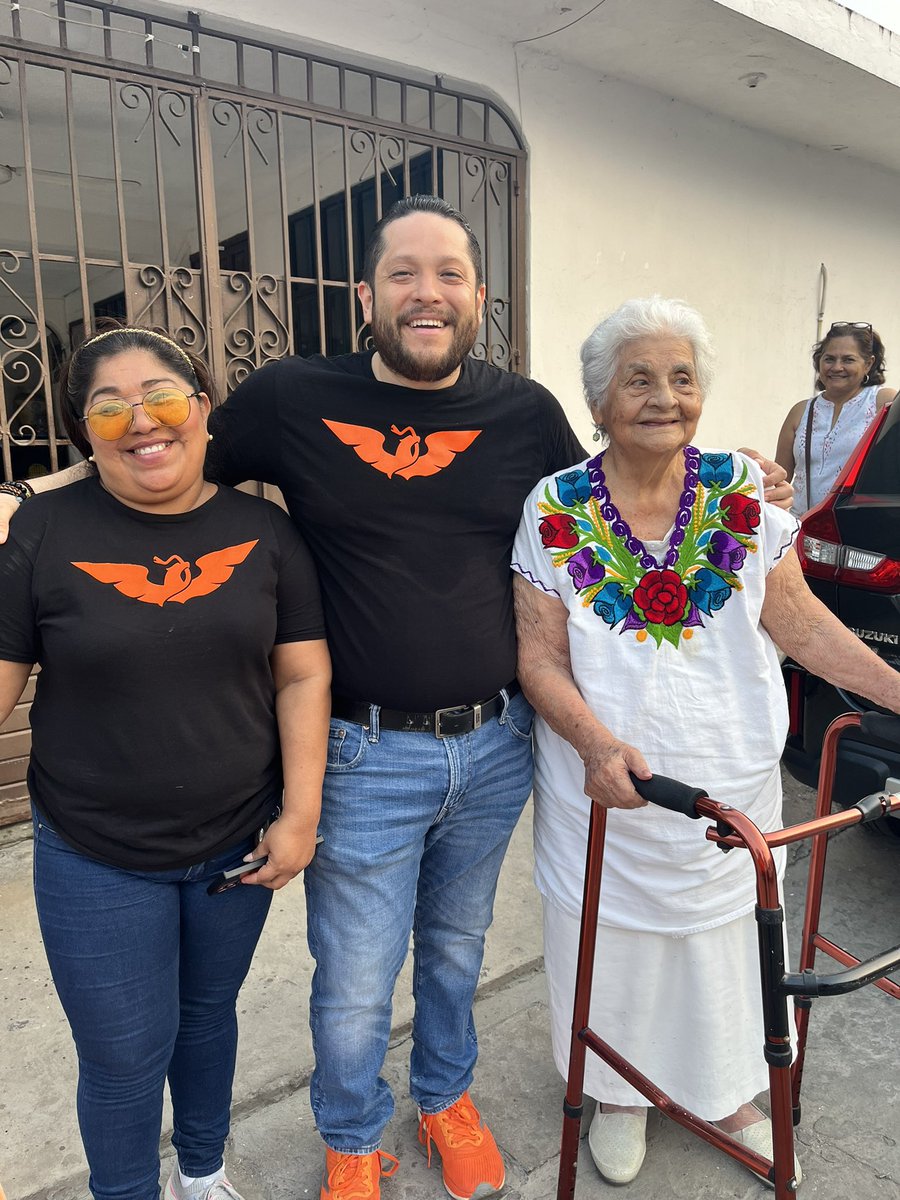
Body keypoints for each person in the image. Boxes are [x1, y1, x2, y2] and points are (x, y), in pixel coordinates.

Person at [0, 199, 791, 1200]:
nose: (428, 293)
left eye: (449, 274)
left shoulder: (525, 411)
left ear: (478, 298)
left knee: (458, 951)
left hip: (498, 742)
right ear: (366, 296)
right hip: (364, 751)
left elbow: (610, 487)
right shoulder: (292, 397)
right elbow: (159, 447)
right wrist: (31, 501)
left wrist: (733, 478)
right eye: (404, 275)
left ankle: (446, 1098)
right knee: (357, 973)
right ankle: (349, 1135)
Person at [511, 296, 900, 1189]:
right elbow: (536, 657)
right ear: (599, 401)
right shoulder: (555, 505)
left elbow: (800, 623)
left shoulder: (740, 491)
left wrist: (896, 691)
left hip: (729, 781)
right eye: (638, 379)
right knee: (609, 941)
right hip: (606, 789)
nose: (664, 397)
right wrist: (594, 743)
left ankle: (727, 1091)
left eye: (682, 378)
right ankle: (618, 1092)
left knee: (725, 941)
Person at [0, 326, 331, 1200]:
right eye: (110, 408)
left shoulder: (263, 533)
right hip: (94, 851)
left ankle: (203, 1170)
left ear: (204, 410)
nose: (142, 422)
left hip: (234, 843)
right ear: (85, 433)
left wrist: (299, 816)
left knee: (204, 1018)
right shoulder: (44, 530)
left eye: (163, 397)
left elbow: (301, 672)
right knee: (120, 1053)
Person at [775, 321, 896, 515]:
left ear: (868, 364)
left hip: (857, 530)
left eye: (848, 360)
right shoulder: (801, 411)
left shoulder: (883, 402)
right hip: (803, 528)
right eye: (829, 359)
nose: (837, 367)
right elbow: (779, 477)